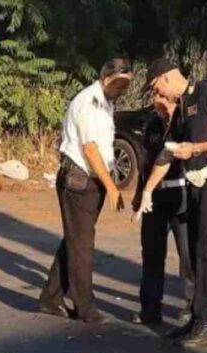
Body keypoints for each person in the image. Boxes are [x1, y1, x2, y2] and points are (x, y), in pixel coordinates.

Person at [141, 58, 207, 347]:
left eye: (157, 88)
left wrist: (198, 148)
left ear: (165, 78)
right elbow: (168, 153)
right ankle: (198, 319)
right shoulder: (182, 109)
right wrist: (148, 190)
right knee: (197, 251)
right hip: (195, 185)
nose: (159, 95)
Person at [38, 58, 132, 324]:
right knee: (82, 245)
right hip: (79, 180)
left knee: (75, 240)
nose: (123, 90)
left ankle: (51, 298)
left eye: (127, 85)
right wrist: (112, 188)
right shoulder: (88, 102)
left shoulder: (105, 103)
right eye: (120, 84)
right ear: (106, 78)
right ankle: (85, 308)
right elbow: (90, 150)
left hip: (93, 181)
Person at [131, 93, 194, 325]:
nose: (161, 111)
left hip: (181, 192)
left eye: (164, 107)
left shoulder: (185, 122)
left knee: (187, 253)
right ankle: (150, 307)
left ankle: (192, 304)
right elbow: (147, 161)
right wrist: (140, 193)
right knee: (152, 252)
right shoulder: (154, 124)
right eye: (157, 108)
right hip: (154, 194)